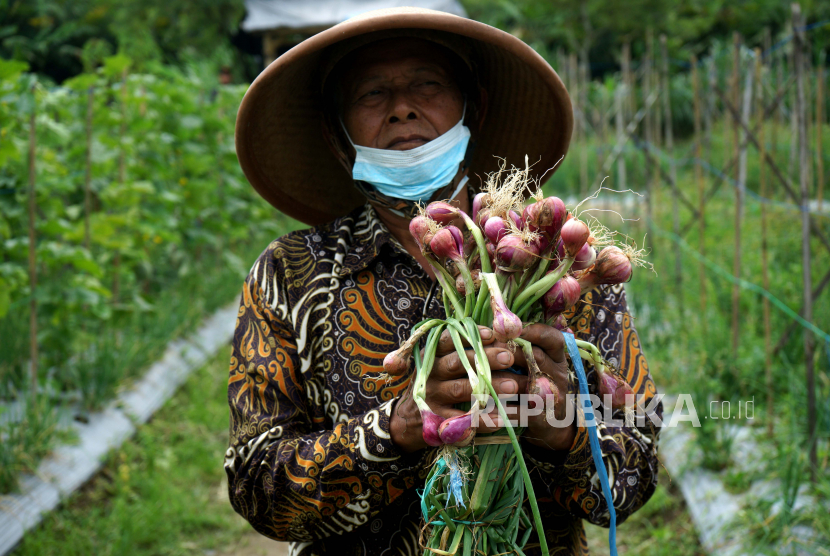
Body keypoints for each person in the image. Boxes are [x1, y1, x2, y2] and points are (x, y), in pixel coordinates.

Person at [225, 8, 661, 556]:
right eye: (370, 94)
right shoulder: (288, 274)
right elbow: (254, 486)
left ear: (471, 109)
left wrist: (562, 427)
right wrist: (395, 430)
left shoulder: (558, 263)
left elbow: (636, 474)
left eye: (426, 84)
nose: (402, 107)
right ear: (337, 137)